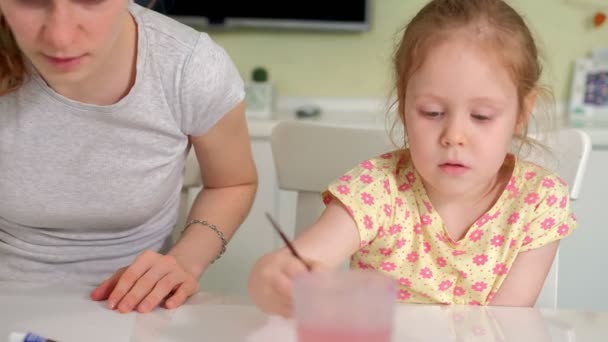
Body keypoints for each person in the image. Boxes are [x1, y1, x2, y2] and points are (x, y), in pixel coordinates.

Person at [248, 0, 577, 317]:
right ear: (404, 103)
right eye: (431, 112)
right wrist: (274, 279)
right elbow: (287, 266)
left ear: (522, 113)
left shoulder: (537, 200)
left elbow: (504, 325)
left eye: (481, 115)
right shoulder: (377, 190)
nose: (454, 135)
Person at [0, 0, 257, 314]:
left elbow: (232, 184)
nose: (60, 38)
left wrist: (185, 261)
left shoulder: (188, 65)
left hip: (136, 310)